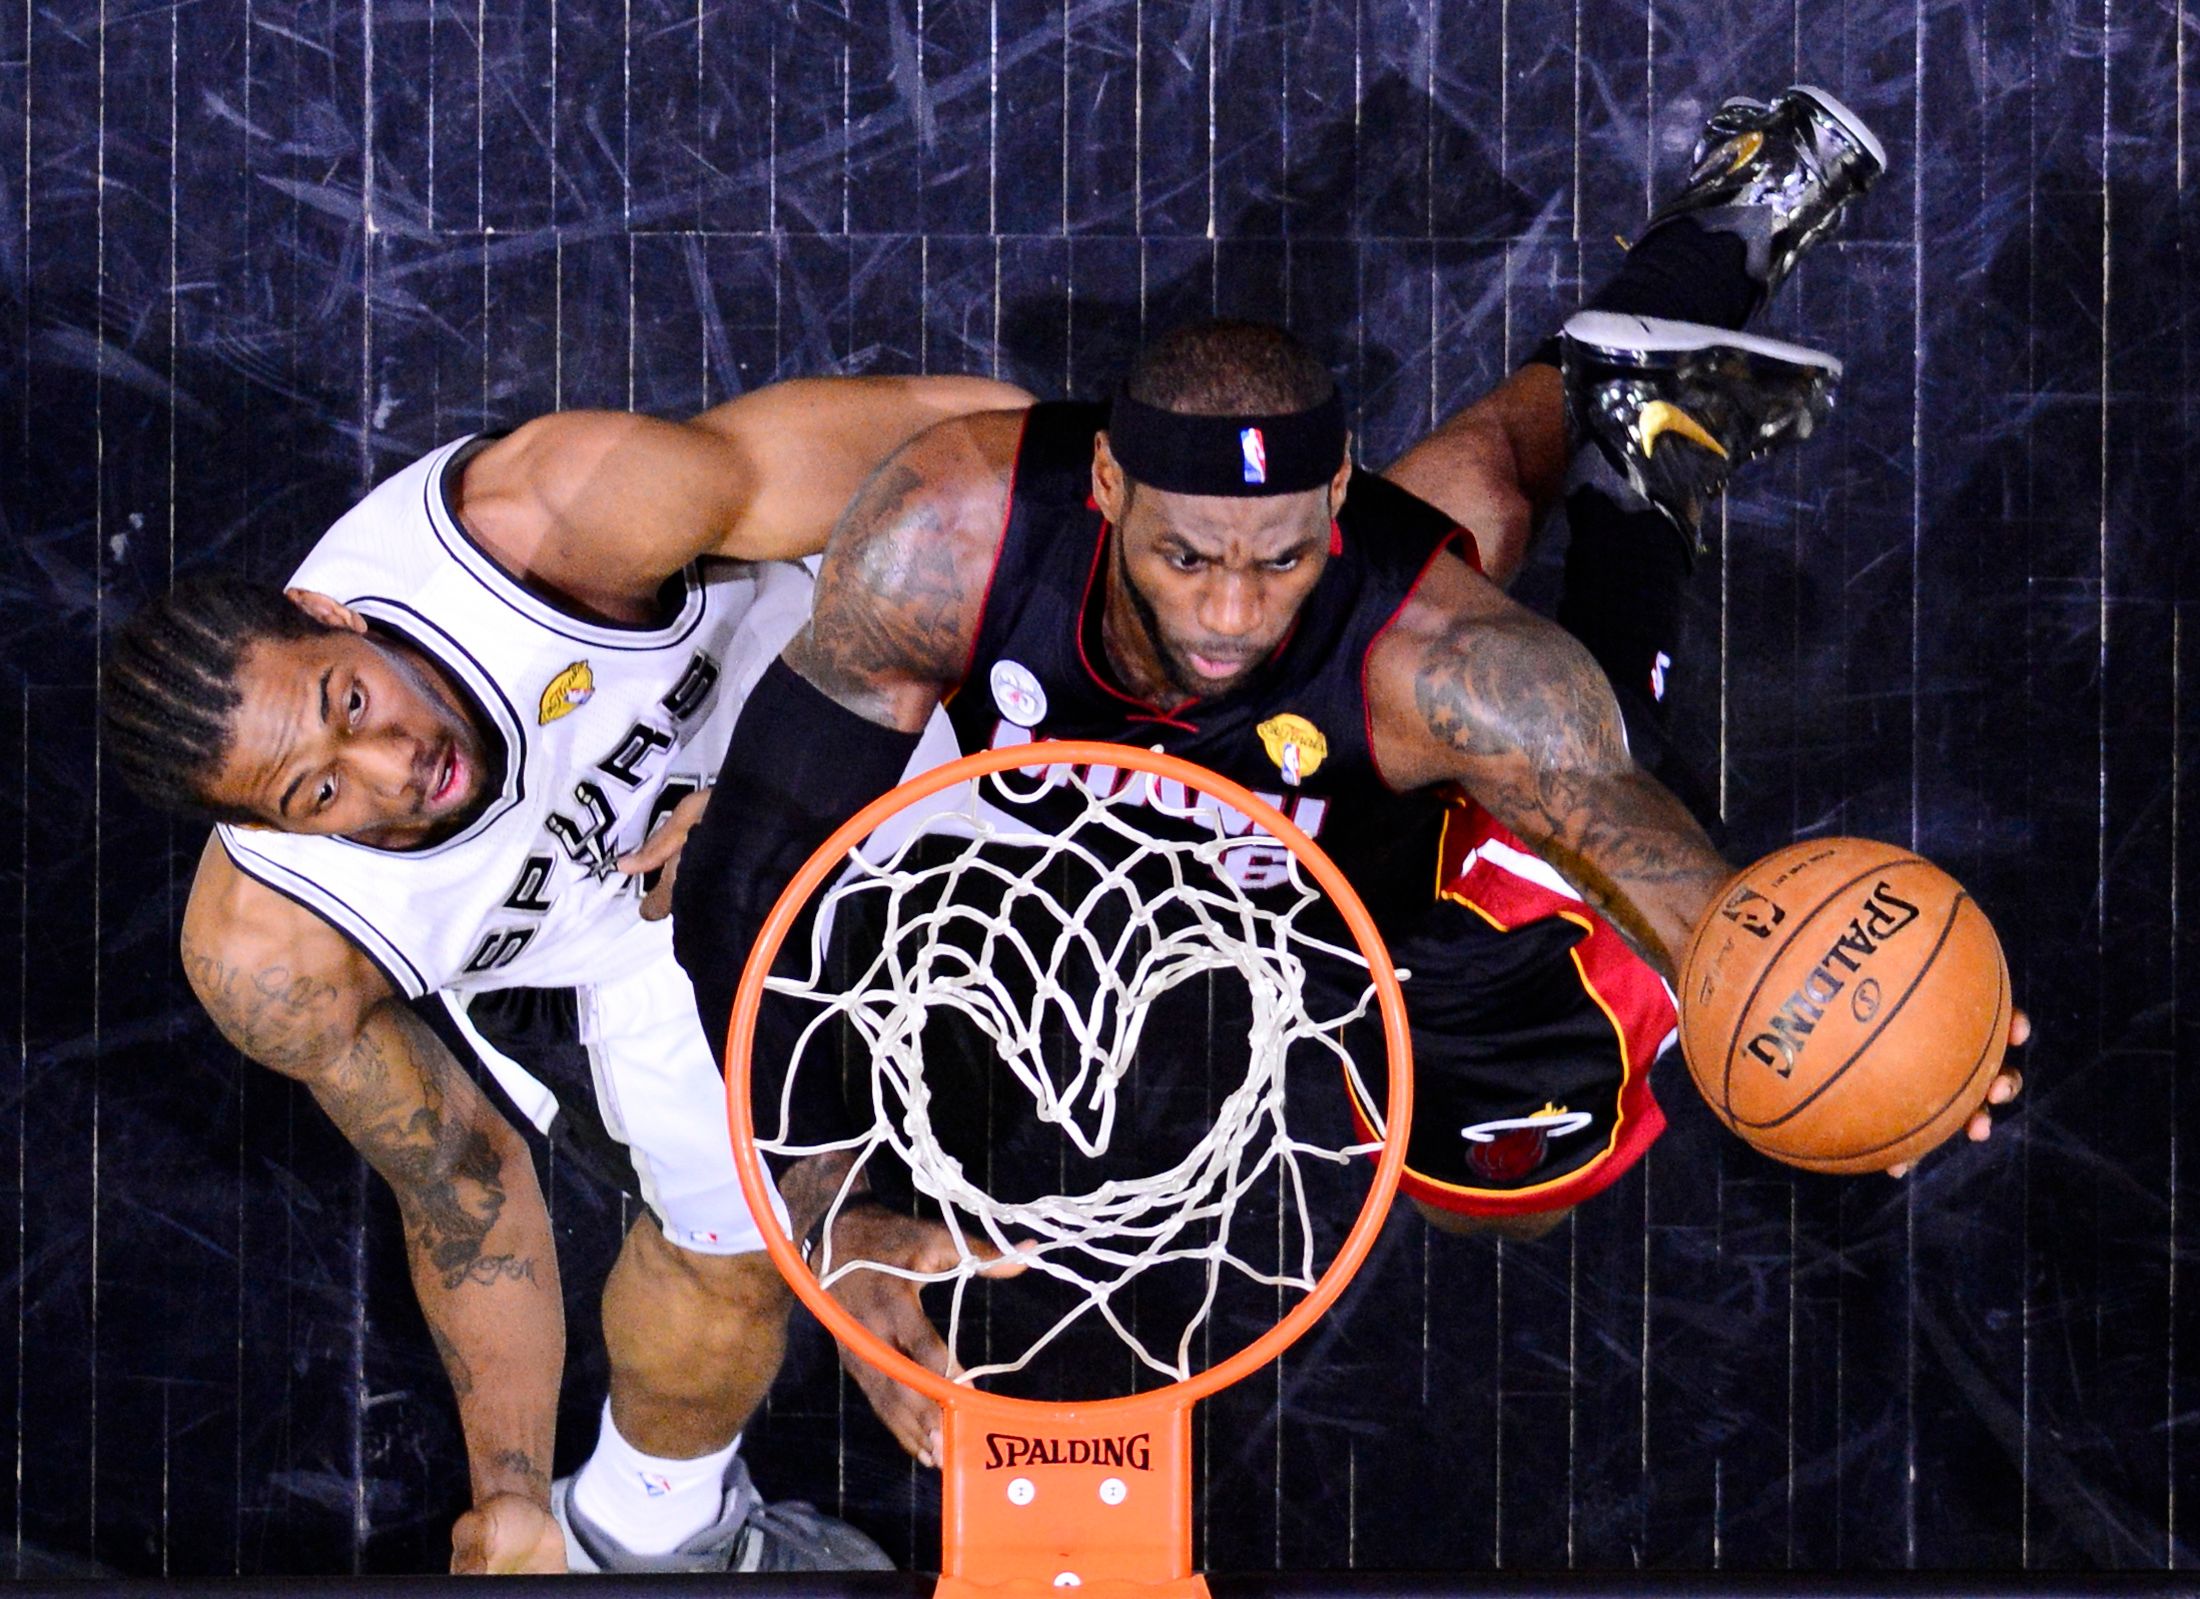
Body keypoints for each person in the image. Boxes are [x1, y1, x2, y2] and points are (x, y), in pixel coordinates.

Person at [662, 86, 2027, 1426]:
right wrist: (827, 1199)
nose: (1229, 613)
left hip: (1371, 865)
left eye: (1281, 558)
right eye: (1185, 557)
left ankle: (1644, 466)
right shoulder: (951, 533)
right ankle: (1630, 362)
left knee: (1512, 1168)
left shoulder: (1453, 675)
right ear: (1108, 488)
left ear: (1332, 499)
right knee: (1470, 521)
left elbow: (1697, 913)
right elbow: (747, 877)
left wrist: (1859, 1043)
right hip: (1076, 810)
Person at [97, 372, 1026, 1574]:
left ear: (327, 611)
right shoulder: (277, 955)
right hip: (629, 937)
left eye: (351, 700)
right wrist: (510, 1491)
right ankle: (648, 1524)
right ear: (265, 830)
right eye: (320, 793)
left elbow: (965, 451)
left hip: (845, 698)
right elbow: (463, 1189)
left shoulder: (556, 523)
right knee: (732, 1253)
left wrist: (781, 791)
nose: (391, 765)